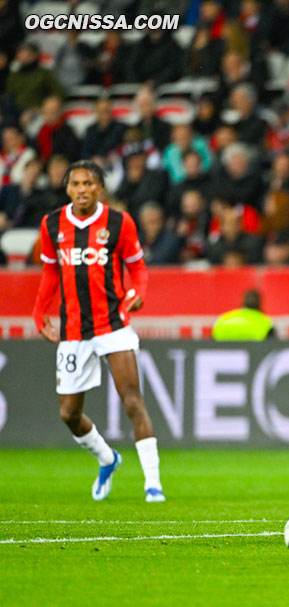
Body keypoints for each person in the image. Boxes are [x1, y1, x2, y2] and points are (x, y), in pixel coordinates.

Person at [31, 160, 165, 503]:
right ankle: (107, 459)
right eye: (76, 183)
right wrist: (38, 310)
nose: (82, 189)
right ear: (67, 188)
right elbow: (50, 274)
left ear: (99, 187)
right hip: (73, 330)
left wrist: (139, 294)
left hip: (113, 325)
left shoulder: (119, 222)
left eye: (89, 183)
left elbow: (138, 268)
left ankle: (153, 484)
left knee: (132, 399)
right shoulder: (52, 224)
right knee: (68, 414)